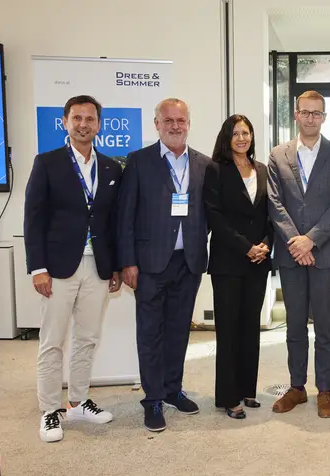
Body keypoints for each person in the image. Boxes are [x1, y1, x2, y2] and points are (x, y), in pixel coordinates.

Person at [24, 95, 122, 443]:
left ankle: (78, 402)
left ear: (99, 125)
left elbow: (112, 222)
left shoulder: (111, 167)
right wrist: (37, 267)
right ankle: (50, 410)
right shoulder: (47, 162)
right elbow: (33, 218)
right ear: (65, 122)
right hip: (57, 267)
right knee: (52, 341)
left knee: (87, 338)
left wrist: (115, 266)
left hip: (97, 266)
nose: (83, 125)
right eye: (77, 118)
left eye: (90, 119)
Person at [117, 98, 210, 432]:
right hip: (149, 264)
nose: (175, 125)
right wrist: (128, 262)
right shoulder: (139, 161)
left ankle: (172, 389)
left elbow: (210, 214)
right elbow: (125, 216)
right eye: (168, 120)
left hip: (189, 262)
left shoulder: (204, 164)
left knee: (178, 330)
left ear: (189, 124)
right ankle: (153, 398)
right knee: (150, 334)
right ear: (156, 124)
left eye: (180, 120)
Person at [268, 90, 330, 418]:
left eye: (316, 113)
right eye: (305, 112)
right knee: (294, 326)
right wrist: (297, 241)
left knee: (326, 327)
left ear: (324, 117)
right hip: (291, 254)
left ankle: (325, 390)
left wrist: (311, 240)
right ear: (295, 114)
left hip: (325, 254)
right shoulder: (278, 154)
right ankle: (296, 387)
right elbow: (274, 203)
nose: (310, 118)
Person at [204, 114, 272, 420]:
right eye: (236, 134)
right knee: (229, 330)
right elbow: (214, 216)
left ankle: (247, 390)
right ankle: (228, 397)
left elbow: (271, 213)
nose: (242, 138)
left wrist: (266, 244)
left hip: (259, 261)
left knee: (250, 328)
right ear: (227, 138)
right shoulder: (216, 169)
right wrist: (246, 247)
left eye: (246, 133)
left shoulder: (262, 169)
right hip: (228, 262)